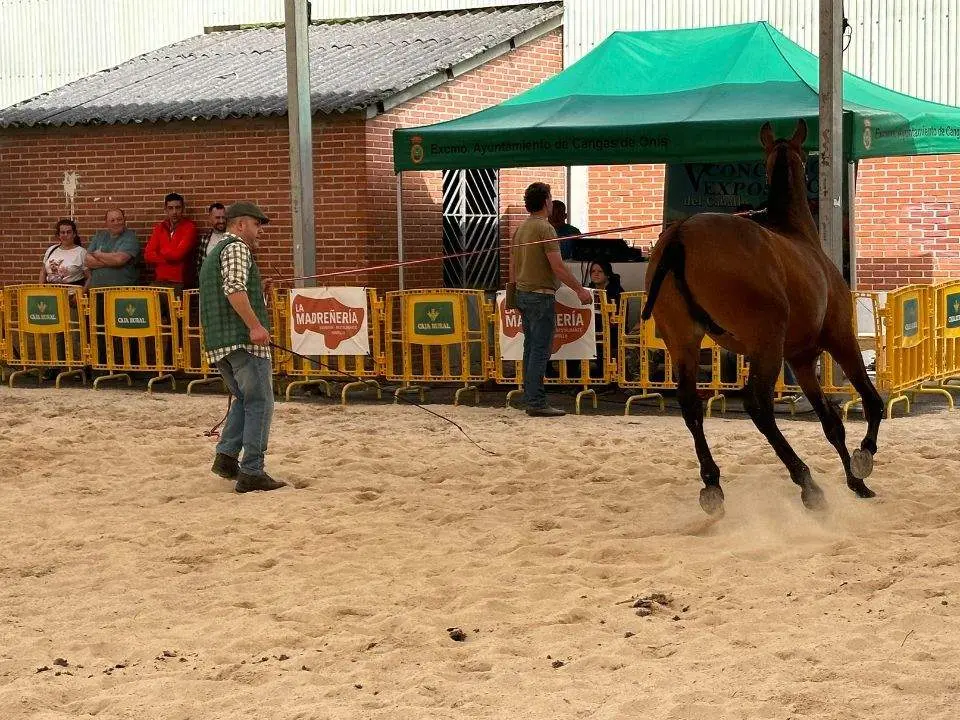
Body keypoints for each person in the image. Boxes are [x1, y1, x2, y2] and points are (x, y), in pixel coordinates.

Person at [199, 201, 284, 493]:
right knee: (261, 402)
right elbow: (234, 290)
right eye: (256, 224)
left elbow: (232, 290)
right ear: (240, 225)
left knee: (245, 399)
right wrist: (255, 326)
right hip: (241, 341)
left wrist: (258, 292)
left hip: (219, 341)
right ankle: (252, 470)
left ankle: (226, 457)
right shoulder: (237, 248)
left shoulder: (215, 252)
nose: (259, 230)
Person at [510, 182, 592, 417]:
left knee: (529, 348)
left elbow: (513, 265)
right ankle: (535, 401)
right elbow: (558, 267)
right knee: (540, 350)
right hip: (540, 295)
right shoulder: (544, 229)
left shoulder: (521, 229)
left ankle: (530, 396)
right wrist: (580, 290)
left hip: (524, 294)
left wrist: (513, 293)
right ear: (546, 201)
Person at [144, 192, 198, 293]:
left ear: (183, 209)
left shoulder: (189, 227)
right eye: (170, 208)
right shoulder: (160, 228)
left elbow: (178, 255)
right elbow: (148, 255)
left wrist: (160, 252)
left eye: (177, 208)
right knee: (151, 306)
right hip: (159, 280)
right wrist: (169, 257)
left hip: (180, 282)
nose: (174, 212)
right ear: (165, 210)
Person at [85, 208, 140, 289]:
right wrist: (112, 261)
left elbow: (119, 259)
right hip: (96, 291)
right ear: (106, 223)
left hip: (121, 292)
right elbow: (87, 261)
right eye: (112, 220)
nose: (116, 223)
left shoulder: (130, 237)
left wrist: (98, 255)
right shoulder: (99, 236)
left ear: (124, 220)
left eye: (119, 219)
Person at [39, 219, 89, 286]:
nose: (65, 235)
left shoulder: (81, 252)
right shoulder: (51, 250)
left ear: (74, 234)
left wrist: (81, 293)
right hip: (51, 292)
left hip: (72, 293)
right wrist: (40, 289)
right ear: (58, 235)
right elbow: (43, 272)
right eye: (62, 232)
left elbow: (89, 277)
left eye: (68, 232)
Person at [195, 202, 227, 279]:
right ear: (210, 218)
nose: (221, 221)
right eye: (217, 218)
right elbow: (200, 265)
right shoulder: (205, 239)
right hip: (209, 283)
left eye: (223, 217)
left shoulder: (232, 238)